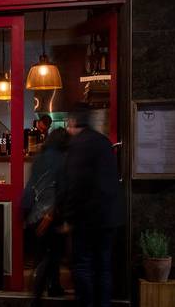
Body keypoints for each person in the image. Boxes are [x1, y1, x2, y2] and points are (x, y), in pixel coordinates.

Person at [57, 104, 124, 307]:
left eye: (69, 123)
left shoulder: (78, 145)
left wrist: (68, 217)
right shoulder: (104, 142)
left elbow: (75, 185)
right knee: (103, 267)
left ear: (73, 122)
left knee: (83, 265)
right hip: (110, 216)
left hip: (87, 218)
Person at [21, 128, 70, 305]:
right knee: (52, 254)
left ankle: (51, 286)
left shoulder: (39, 157)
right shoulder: (62, 159)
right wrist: (57, 214)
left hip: (34, 213)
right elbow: (62, 189)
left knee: (44, 253)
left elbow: (32, 185)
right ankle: (38, 292)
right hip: (50, 214)